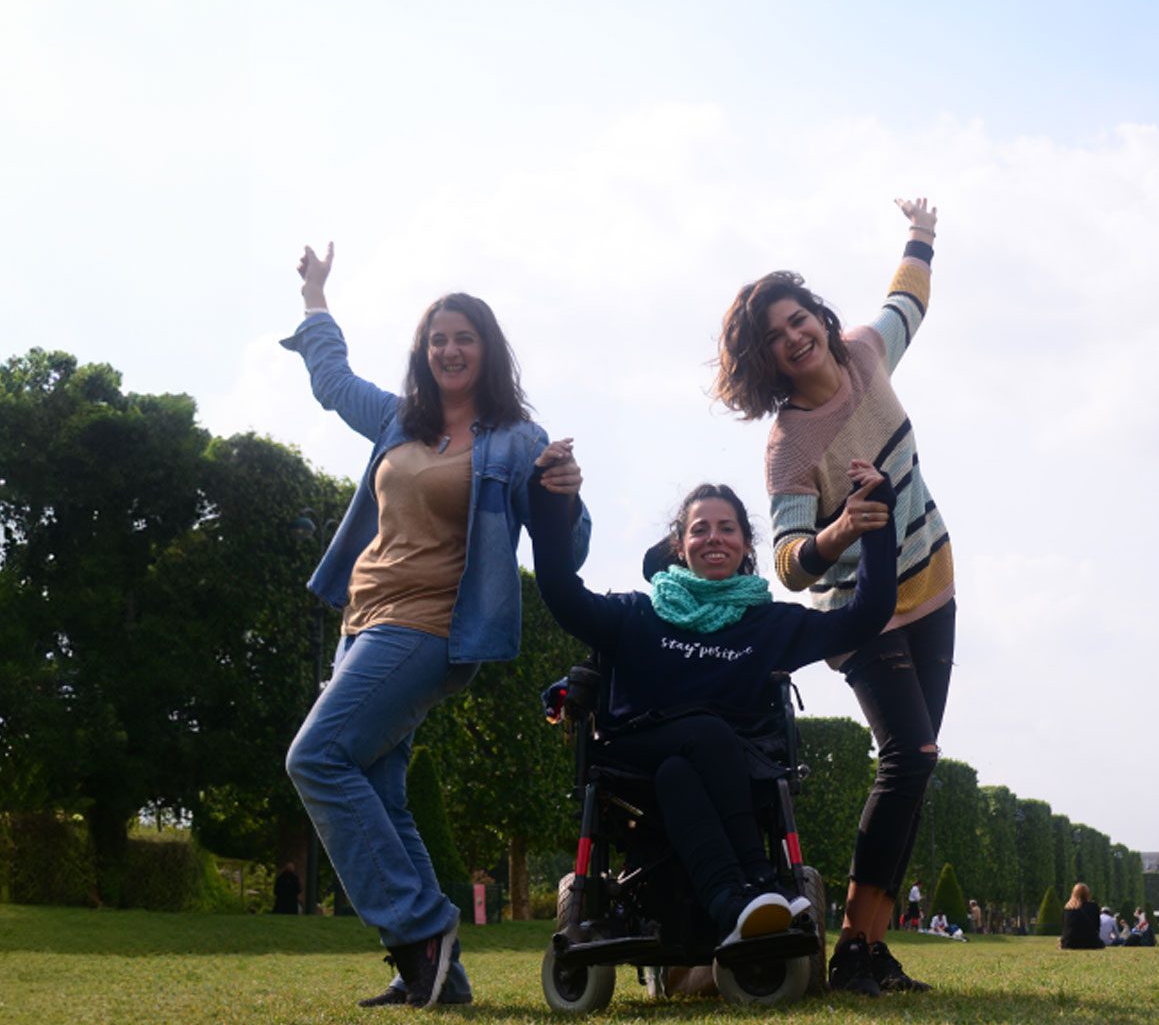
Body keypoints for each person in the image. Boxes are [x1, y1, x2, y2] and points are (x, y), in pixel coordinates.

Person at [281, 243, 590, 1009]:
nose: (450, 349)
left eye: (464, 337)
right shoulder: (397, 419)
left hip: (432, 629)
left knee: (316, 759)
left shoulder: (516, 439)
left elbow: (568, 545)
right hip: (365, 621)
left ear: (487, 352)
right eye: (438, 338)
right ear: (425, 351)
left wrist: (563, 495)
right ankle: (438, 979)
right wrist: (316, 296)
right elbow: (331, 383)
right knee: (380, 795)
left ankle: (420, 928)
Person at [714, 197, 953, 997]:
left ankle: (870, 949)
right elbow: (786, 563)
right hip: (860, 615)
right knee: (909, 757)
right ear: (769, 362)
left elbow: (906, 304)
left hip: (934, 584)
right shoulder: (790, 447)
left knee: (915, 772)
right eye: (777, 338)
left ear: (818, 315)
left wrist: (920, 233)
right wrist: (843, 526)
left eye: (798, 319)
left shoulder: (862, 355)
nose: (795, 336)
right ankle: (855, 947)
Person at [526, 448, 897, 959]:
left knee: (681, 769)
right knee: (701, 732)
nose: (713, 538)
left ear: (746, 544)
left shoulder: (769, 625)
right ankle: (759, 880)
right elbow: (560, 592)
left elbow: (864, 617)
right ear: (680, 544)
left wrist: (876, 522)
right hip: (634, 750)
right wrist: (550, 506)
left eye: (727, 528)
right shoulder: (636, 613)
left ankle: (730, 903)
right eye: (700, 529)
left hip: (715, 768)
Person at [1059, 884, 1105, 950]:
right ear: (1088, 894)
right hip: (1091, 943)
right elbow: (1097, 927)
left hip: (1069, 943)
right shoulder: (1094, 907)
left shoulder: (1067, 908)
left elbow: (1064, 927)